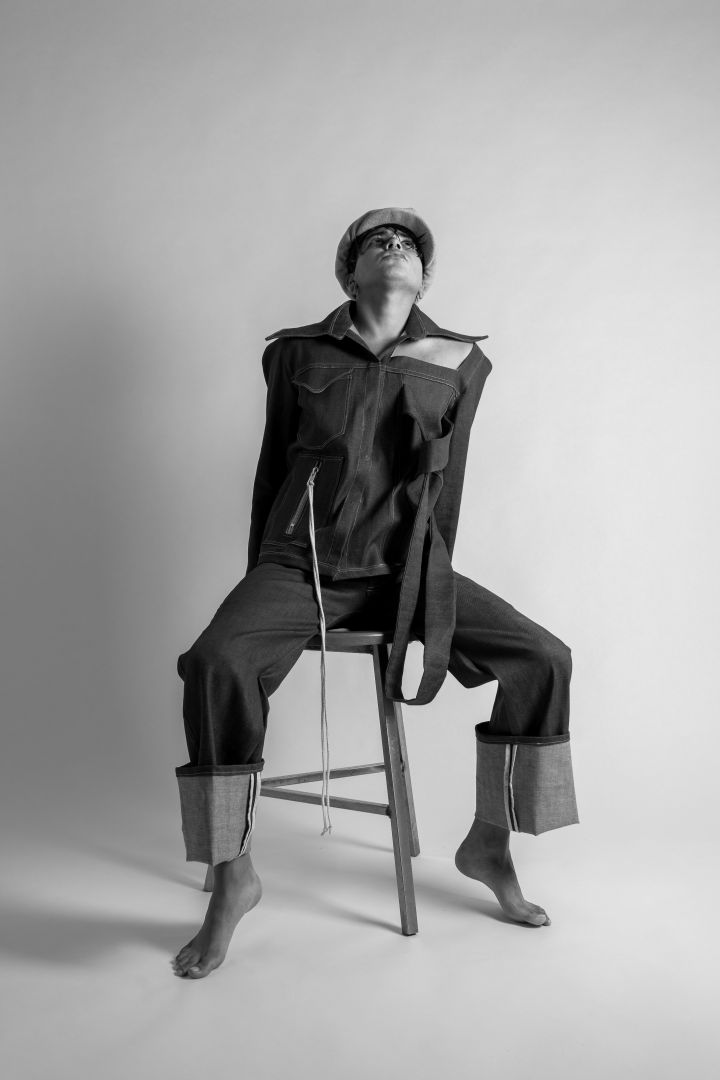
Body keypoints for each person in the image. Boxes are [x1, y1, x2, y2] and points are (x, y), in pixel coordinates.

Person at [171, 207, 578, 980]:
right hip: (301, 566)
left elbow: (450, 487)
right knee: (216, 663)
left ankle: (490, 843)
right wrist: (262, 578)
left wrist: (435, 584)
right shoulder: (295, 353)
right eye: (375, 242)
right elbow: (271, 470)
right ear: (349, 273)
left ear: (423, 276)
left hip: (406, 570)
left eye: (407, 244)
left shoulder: (461, 361)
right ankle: (233, 875)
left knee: (545, 658)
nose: (394, 247)